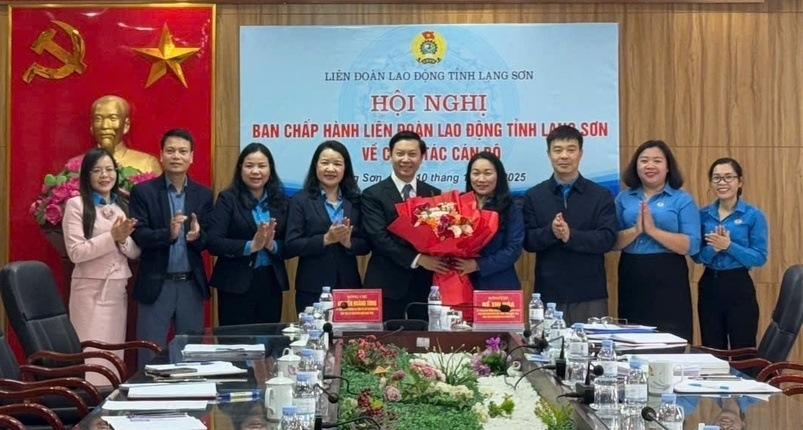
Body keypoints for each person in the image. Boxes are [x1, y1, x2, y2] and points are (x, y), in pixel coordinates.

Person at [129, 128, 213, 366]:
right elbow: (139, 234)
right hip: (157, 283)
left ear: (191, 157)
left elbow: (211, 239)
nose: (177, 156)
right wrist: (169, 234)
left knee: (191, 356)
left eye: (182, 151)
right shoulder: (143, 192)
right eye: (171, 151)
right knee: (150, 353)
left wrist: (197, 236)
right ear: (161, 155)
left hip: (190, 286)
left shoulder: (203, 194)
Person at [522, 125, 617, 325]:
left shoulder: (600, 195)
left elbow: (607, 239)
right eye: (558, 150)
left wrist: (569, 235)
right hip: (548, 295)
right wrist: (551, 232)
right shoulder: (535, 195)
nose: (564, 156)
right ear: (549, 154)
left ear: (580, 154)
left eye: (571, 150)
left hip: (590, 294)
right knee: (546, 352)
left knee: (591, 351)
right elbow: (528, 241)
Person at [62, 148, 140, 385]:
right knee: (91, 357)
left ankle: (107, 409)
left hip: (117, 291)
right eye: (97, 170)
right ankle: (88, 411)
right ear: (86, 175)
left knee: (113, 355)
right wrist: (111, 236)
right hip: (90, 292)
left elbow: (135, 251)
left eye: (109, 169)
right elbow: (76, 252)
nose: (104, 175)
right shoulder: (76, 205)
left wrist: (123, 238)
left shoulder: (122, 205)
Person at [614, 140, 700, 341]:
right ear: (636, 166)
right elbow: (611, 241)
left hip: (668, 274)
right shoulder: (623, 198)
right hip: (632, 272)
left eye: (657, 161)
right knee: (631, 338)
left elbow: (692, 244)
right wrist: (636, 230)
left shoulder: (682, 199)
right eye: (644, 161)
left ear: (668, 167)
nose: (650, 166)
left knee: (670, 338)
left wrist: (653, 231)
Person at [362, 130, 446, 320]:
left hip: (425, 285)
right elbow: (378, 238)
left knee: (424, 343)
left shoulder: (434, 193)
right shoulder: (373, 194)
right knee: (384, 344)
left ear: (422, 157)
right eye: (400, 153)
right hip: (387, 284)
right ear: (389, 155)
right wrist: (418, 259)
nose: (406, 159)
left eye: (412, 154)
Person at [208, 143, 290, 325]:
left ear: (271, 169)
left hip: (270, 282)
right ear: (240, 169)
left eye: (262, 166)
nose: (256, 171)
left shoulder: (281, 201)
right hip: (235, 283)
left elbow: (291, 243)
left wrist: (272, 245)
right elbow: (214, 242)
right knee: (237, 344)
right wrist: (250, 246)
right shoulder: (228, 199)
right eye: (249, 165)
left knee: (268, 342)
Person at [285, 140, 370, 312]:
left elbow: (366, 244)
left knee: (347, 338)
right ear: (315, 166)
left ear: (345, 168)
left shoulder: (355, 200)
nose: (330, 169)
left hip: (349, 286)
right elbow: (291, 244)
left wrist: (348, 242)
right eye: (325, 163)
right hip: (312, 287)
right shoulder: (300, 200)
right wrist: (325, 239)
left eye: (337, 164)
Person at [692, 158, 768, 349]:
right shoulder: (702, 215)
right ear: (710, 182)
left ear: (739, 182)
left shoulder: (753, 215)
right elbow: (696, 255)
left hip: (739, 285)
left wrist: (728, 246)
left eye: (728, 177)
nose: (722, 183)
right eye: (717, 178)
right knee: (712, 347)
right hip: (710, 283)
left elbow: (759, 257)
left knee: (743, 348)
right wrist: (714, 248)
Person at [453, 151, 523, 291]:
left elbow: (513, 249)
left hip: (498, 283)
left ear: (498, 176)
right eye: (476, 173)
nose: (481, 179)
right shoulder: (458, 205)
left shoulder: (510, 206)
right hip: (462, 282)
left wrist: (477, 265)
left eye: (487, 173)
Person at [86, 95, 162, 174]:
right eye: (98, 119)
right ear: (91, 126)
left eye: (113, 118)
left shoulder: (147, 164)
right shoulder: (75, 166)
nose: (105, 126)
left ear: (126, 125)